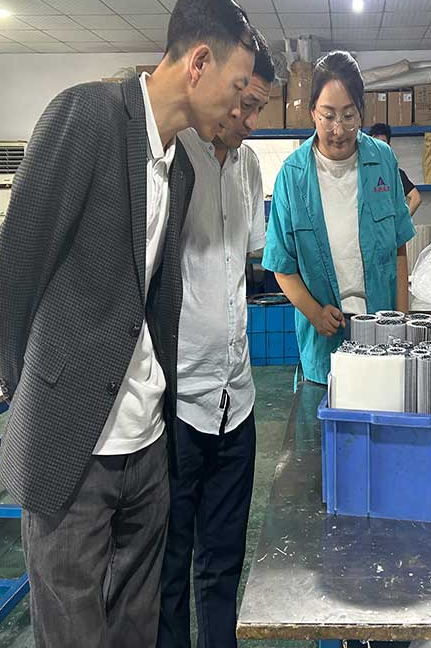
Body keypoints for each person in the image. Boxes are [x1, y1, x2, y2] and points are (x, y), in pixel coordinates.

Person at [0, 0, 257, 648]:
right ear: (198, 64)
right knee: (73, 631)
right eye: (237, 87)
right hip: (75, 449)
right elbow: (13, 274)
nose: (240, 107)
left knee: (137, 627)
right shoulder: (88, 117)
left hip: (147, 447)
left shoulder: (180, 170)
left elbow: (152, 304)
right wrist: (33, 396)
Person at [159, 33, 274, 648]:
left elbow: (247, 262)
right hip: (178, 402)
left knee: (224, 561)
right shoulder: (174, 157)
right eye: (244, 102)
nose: (249, 120)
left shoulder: (249, 166)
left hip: (238, 398)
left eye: (259, 108)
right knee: (169, 563)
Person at [262, 50, 416, 384]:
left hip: (382, 334)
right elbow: (281, 266)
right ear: (312, 112)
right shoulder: (292, 176)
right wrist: (315, 313)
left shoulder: (383, 160)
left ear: (361, 110)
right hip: (325, 341)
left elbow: (399, 248)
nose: (338, 130)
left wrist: (401, 321)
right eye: (328, 116)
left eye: (349, 116)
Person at [368, 122, 422, 215]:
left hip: (390, 223)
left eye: (382, 143)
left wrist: (404, 220)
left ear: (388, 147)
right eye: (375, 143)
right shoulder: (363, 172)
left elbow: (416, 198)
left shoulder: (396, 174)